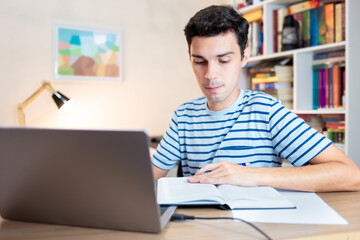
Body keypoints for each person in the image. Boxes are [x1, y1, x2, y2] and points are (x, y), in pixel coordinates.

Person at [151, 5, 360, 192]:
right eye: (199, 61)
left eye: (223, 60)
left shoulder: (266, 110)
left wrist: (251, 175)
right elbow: (149, 178)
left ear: (244, 56)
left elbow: (351, 175)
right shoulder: (184, 115)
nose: (210, 74)